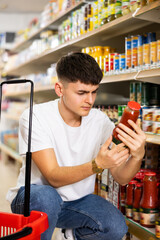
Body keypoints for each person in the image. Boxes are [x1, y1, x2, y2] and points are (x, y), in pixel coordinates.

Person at [7, 52, 146, 240]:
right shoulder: (35, 116)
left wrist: (137, 156)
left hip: (76, 203)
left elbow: (121, 177)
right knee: (48, 197)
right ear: (59, 89)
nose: (89, 100)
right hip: (33, 199)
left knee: (115, 226)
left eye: (94, 91)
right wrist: (97, 165)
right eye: (81, 93)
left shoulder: (101, 121)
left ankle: (69, 235)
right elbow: (53, 176)